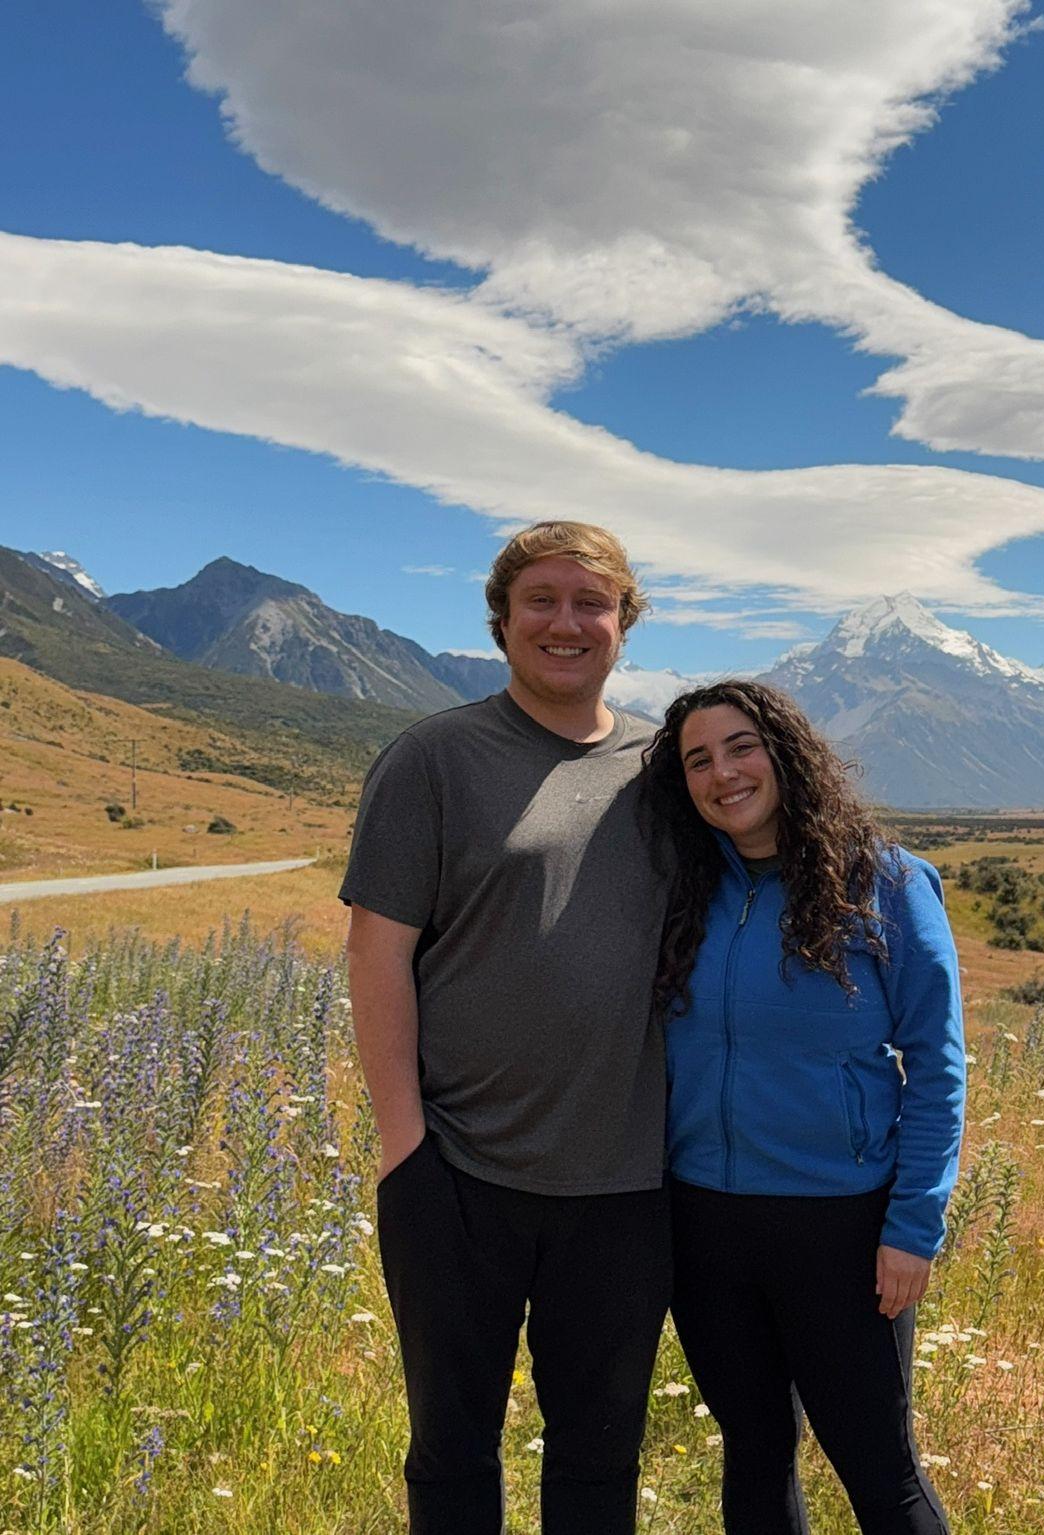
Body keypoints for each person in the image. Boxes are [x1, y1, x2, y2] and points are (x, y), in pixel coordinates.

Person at [340, 521, 672, 1535]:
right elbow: (377, 954)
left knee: (600, 1457)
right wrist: (407, 1152)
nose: (567, 622)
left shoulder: (670, 767)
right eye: (543, 600)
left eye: (593, 602)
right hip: (458, 1174)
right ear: (502, 619)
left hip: (629, 1184)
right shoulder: (435, 758)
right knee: (451, 1452)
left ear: (624, 624)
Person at [644, 679, 966, 1535]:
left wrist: (912, 1228)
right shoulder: (682, 889)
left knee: (879, 1469)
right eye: (698, 759)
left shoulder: (887, 882)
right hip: (704, 1222)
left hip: (842, 1229)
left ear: (784, 750)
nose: (724, 772)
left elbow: (937, 1065)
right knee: (752, 1448)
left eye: (741, 746)